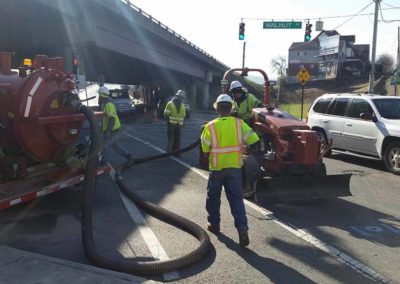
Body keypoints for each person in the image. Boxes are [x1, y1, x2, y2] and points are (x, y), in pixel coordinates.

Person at [200, 94, 260, 247]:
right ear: (231, 108)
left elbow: (205, 148)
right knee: (236, 199)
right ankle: (242, 229)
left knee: (213, 198)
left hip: (217, 168)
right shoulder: (239, 124)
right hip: (234, 168)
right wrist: (245, 149)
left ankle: (214, 224)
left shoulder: (210, 126)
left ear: (217, 109)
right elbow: (254, 140)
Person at [98, 86, 132, 164]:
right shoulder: (106, 103)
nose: (99, 97)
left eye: (99, 95)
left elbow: (112, 118)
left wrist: (108, 131)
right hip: (113, 129)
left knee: (105, 147)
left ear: (102, 95)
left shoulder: (108, 105)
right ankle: (128, 156)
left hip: (113, 130)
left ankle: (104, 163)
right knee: (115, 146)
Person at [164, 90, 186, 156]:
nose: (182, 99)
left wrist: (183, 123)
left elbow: (183, 115)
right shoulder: (170, 104)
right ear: (177, 96)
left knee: (178, 139)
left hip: (178, 125)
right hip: (171, 125)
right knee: (171, 139)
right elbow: (166, 114)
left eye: (182, 97)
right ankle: (168, 152)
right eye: (181, 97)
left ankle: (177, 152)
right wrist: (168, 123)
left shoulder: (182, 105)